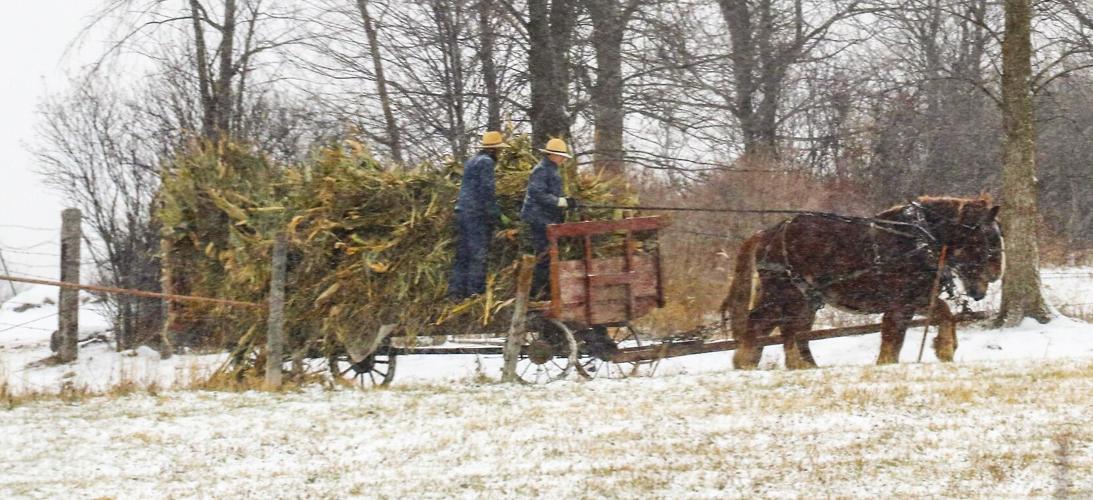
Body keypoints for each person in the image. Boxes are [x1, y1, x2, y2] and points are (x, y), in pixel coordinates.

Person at [449, 130, 508, 299]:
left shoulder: (471, 161)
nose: (501, 153)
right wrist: (497, 216)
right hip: (475, 215)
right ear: (494, 150)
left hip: (462, 212)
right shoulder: (486, 162)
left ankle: (456, 292)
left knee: (463, 254)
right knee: (478, 255)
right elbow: (486, 192)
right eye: (499, 150)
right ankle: (475, 293)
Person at [519, 137, 578, 299]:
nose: (563, 159)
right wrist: (561, 201)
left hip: (545, 218)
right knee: (544, 254)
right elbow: (538, 194)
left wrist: (566, 201)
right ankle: (536, 293)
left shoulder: (550, 169)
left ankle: (542, 290)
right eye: (562, 156)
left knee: (547, 254)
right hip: (538, 218)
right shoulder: (542, 170)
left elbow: (552, 194)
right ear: (552, 155)